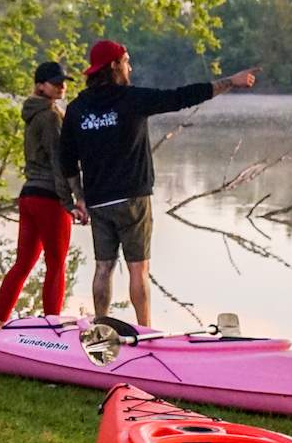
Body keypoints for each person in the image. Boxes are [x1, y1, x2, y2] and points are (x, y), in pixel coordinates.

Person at [58, 39, 259, 328]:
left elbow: (66, 160)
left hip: (99, 201)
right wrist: (231, 81)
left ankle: (100, 328)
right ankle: (145, 331)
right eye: (126, 61)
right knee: (138, 269)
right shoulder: (130, 98)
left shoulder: (77, 108)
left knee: (103, 267)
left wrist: (79, 197)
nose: (130, 66)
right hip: (133, 199)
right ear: (114, 66)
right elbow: (180, 97)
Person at [0, 59, 87, 323]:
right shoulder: (50, 116)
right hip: (49, 199)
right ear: (40, 86)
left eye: (62, 82)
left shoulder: (32, 113)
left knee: (23, 264)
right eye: (55, 83)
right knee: (56, 265)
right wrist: (71, 202)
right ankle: (52, 327)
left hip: (29, 195)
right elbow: (61, 162)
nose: (61, 87)